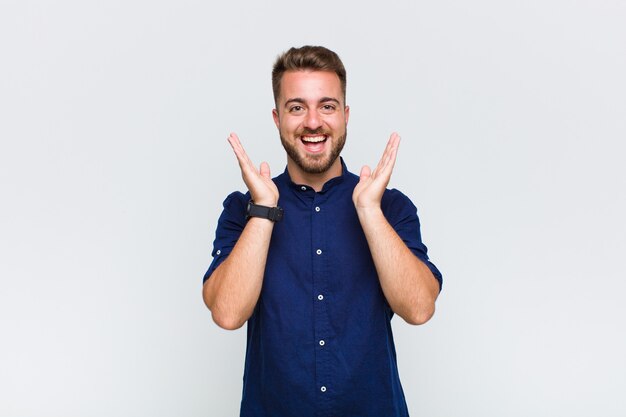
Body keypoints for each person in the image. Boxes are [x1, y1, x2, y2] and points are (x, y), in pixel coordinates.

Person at [202, 45, 442, 417]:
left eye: (327, 106)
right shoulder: (243, 209)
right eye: (297, 107)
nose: (313, 121)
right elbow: (228, 314)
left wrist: (369, 211)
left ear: (345, 116)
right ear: (277, 117)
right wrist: (264, 211)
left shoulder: (390, 207)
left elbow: (419, 308)